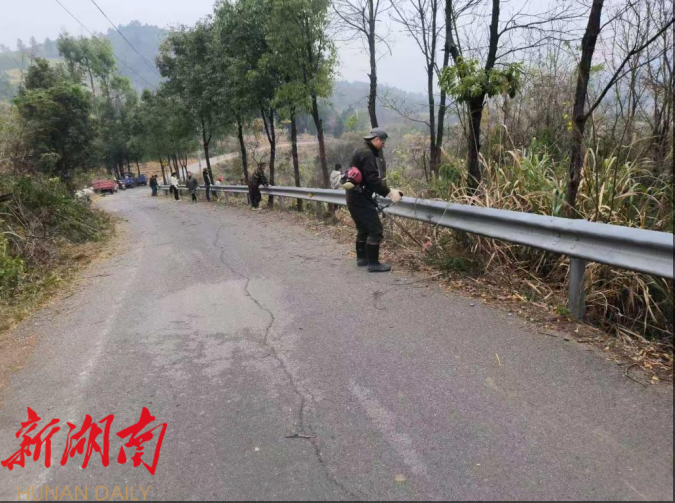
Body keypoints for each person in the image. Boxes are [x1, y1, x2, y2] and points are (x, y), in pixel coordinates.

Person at [347, 127, 403, 272]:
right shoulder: (367, 154)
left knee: (363, 228)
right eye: (382, 142)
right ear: (376, 139)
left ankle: (362, 259)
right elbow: (372, 180)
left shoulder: (359, 150)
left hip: (353, 195)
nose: (383, 145)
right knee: (376, 230)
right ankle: (373, 264)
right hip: (361, 197)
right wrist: (389, 192)